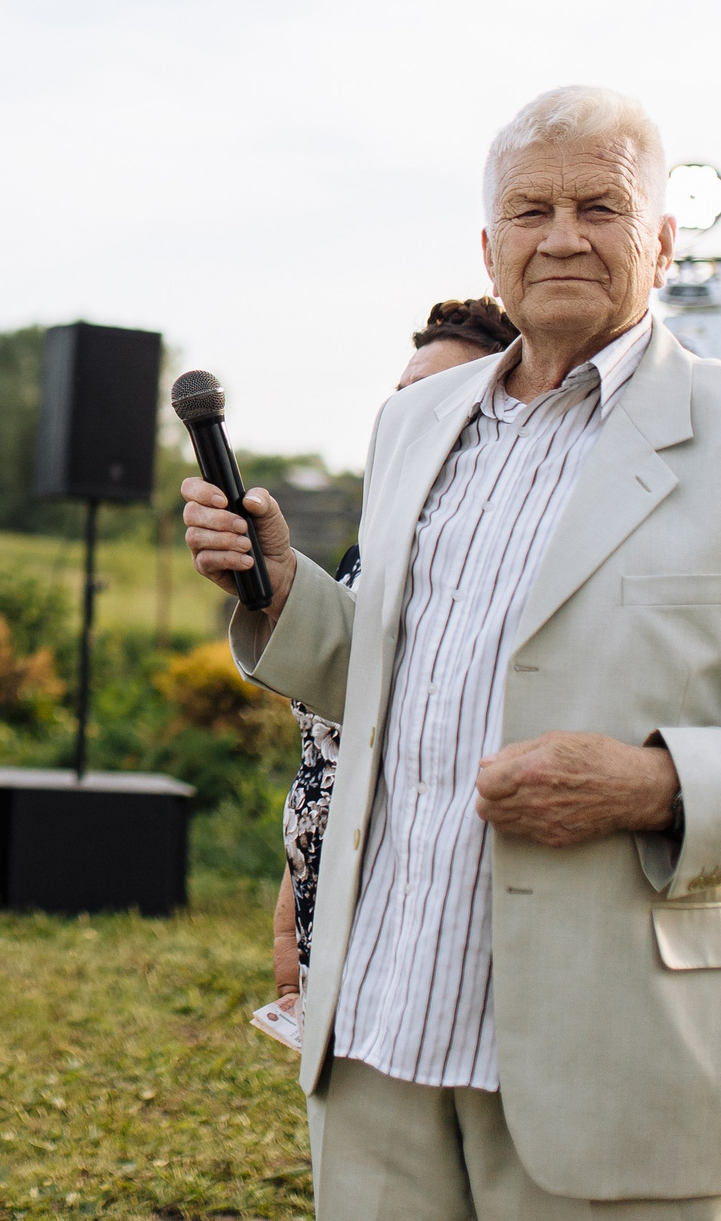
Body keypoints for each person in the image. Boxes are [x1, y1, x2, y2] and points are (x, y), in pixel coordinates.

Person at [186, 85, 721, 1219]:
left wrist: (658, 785)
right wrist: (284, 592)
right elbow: (404, 677)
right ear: (490, 247)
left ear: (662, 240)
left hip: (617, 1045)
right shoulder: (414, 424)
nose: (562, 237)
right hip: (381, 1022)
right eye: (530, 211)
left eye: (598, 207)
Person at [273, 297, 518, 1018]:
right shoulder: (371, 548)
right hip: (327, 876)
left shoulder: (504, 559)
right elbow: (333, 738)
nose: (410, 412)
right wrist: (297, 878)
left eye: (438, 393)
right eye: (402, 394)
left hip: (423, 897)